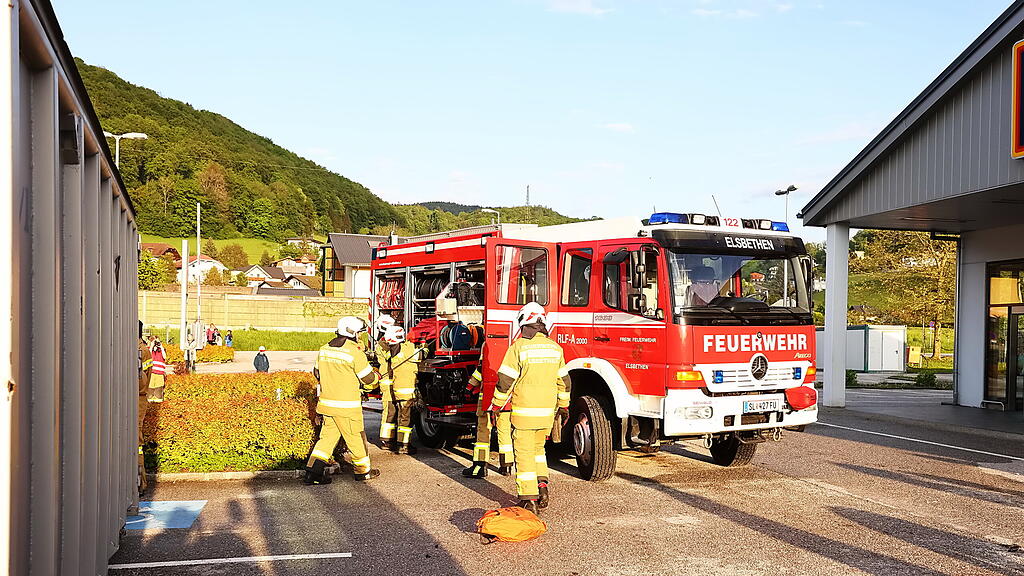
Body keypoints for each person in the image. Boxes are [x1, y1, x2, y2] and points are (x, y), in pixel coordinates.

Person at [489, 303, 570, 514]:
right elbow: (564, 382)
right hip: (546, 414)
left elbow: (505, 381)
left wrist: (496, 406)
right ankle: (542, 487)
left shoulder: (518, 348)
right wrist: (563, 406)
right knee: (538, 452)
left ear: (524, 323)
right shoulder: (556, 348)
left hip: (525, 414)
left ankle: (528, 499)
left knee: (524, 455)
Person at [304, 316, 380, 484]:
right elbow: (368, 379)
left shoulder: (324, 349)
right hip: (347, 408)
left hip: (327, 406)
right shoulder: (354, 352)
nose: (360, 337)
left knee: (326, 440)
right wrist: (377, 377)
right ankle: (363, 472)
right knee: (356, 438)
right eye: (359, 333)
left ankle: (313, 473)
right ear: (352, 333)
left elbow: (316, 373)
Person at [462, 340, 513, 478]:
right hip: (506, 396)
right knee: (504, 430)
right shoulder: (513, 342)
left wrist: (470, 385)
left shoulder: (487, 344)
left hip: (487, 395)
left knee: (483, 430)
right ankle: (506, 466)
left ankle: (480, 466)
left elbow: (481, 368)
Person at [379, 325, 423, 454]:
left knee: (400, 417)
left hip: (398, 391)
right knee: (405, 419)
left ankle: (393, 442)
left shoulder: (392, 351)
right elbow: (421, 355)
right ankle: (403, 445)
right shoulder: (407, 350)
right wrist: (424, 347)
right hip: (407, 393)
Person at [371, 314, 397, 445]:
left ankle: (392, 437)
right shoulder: (383, 344)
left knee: (394, 411)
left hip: (393, 381)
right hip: (388, 382)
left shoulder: (385, 341)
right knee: (389, 411)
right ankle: (386, 440)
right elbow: (392, 357)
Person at [137, 322, 153, 495]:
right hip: (138, 400)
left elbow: (142, 383)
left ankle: (139, 482)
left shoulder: (142, 351)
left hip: (137, 401)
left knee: (136, 443)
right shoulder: (143, 350)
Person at [149, 338, 167, 403]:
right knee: (151, 387)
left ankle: (158, 401)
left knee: (159, 387)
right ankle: (150, 400)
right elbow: (148, 355)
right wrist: (152, 346)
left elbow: (164, 357)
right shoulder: (151, 350)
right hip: (152, 372)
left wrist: (161, 347)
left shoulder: (162, 350)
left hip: (160, 372)